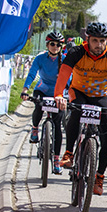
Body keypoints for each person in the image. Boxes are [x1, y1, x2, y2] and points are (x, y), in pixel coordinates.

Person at [54, 22, 107, 196]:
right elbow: (64, 74)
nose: (99, 45)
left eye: (102, 41)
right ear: (87, 40)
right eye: (95, 40)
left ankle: (99, 176)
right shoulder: (76, 52)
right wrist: (59, 95)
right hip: (79, 92)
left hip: (101, 96)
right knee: (76, 113)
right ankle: (68, 153)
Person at [22, 31, 65, 174]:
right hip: (43, 88)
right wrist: (25, 89)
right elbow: (32, 74)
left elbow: (70, 78)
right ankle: (35, 128)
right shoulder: (40, 58)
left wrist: (69, 93)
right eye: (52, 44)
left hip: (58, 93)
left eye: (58, 45)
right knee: (38, 108)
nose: (55, 47)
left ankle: (57, 159)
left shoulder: (64, 59)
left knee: (58, 125)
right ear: (47, 45)